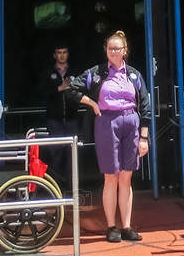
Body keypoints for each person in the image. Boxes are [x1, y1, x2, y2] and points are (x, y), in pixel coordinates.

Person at [75, 31, 149, 242]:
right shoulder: (97, 73)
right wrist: (91, 103)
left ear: (125, 50)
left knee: (126, 176)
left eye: (118, 48)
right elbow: (72, 88)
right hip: (107, 122)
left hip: (131, 122)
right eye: (110, 49)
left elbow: (145, 106)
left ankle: (126, 226)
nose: (114, 52)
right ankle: (111, 226)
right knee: (111, 177)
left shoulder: (134, 75)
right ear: (106, 50)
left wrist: (143, 138)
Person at [44, 43, 84, 191]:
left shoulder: (75, 71)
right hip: (54, 121)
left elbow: (83, 89)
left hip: (72, 120)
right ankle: (56, 190)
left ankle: (73, 190)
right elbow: (41, 91)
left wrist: (70, 88)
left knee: (73, 156)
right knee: (55, 155)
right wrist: (59, 88)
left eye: (64, 52)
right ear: (54, 55)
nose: (61, 55)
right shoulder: (48, 71)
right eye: (58, 52)